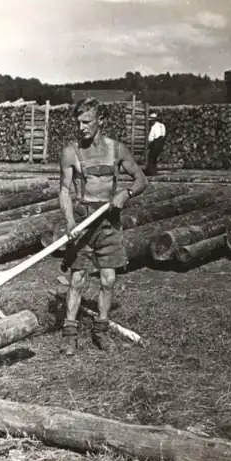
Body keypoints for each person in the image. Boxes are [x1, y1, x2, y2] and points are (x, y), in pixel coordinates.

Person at [56, 97, 148, 356]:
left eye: (87, 121)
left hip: (108, 220)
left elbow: (141, 179)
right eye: (78, 122)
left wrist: (126, 194)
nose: (81, 127)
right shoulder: (70, 152)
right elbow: (64, 190)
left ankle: (101, 330)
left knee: (108, 279)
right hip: (83, 221)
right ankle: (69, 334)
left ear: (100, 121)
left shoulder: (117, 149)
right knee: (77, 279)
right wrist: (70, 221)